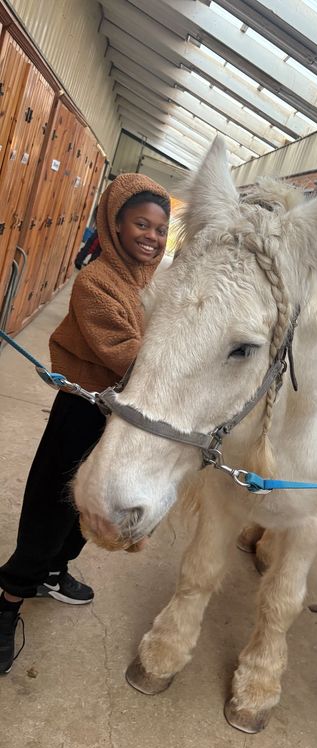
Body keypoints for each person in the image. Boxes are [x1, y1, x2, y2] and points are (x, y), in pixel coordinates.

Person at [0, 173, 170, 674]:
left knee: (97, 498)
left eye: (160, 229)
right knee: (53, 500)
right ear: (115, 224)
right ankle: (9, 596)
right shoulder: (96, 282)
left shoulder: (145, 282)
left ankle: (56, 569)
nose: (151, 237)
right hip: (83, 408)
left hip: (120, 413)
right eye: (141, 223)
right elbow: (130, 358)